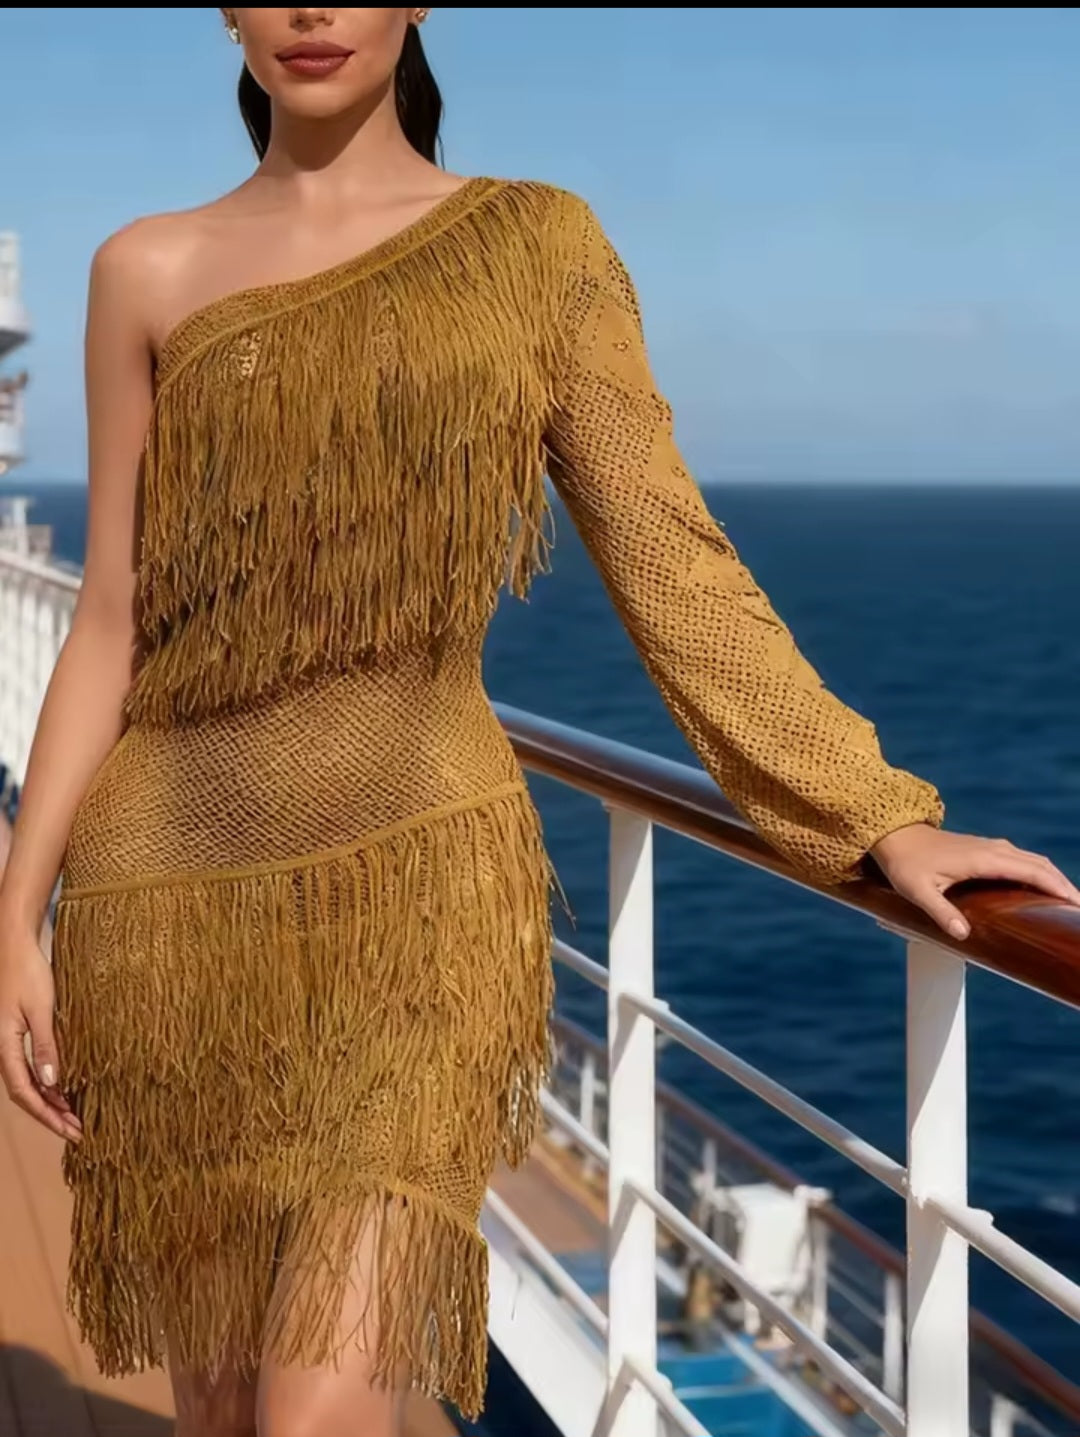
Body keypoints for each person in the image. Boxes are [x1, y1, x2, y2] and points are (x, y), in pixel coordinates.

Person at [0, 9, 1076, 1437]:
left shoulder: (537, 246)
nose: (312, 13)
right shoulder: (143, 268)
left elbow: (667, 554)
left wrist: (873, 810)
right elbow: (115, 618)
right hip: (162, 907)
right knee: (217, 1408)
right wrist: (21, 915)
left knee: (317, 1410)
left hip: (417, 902)